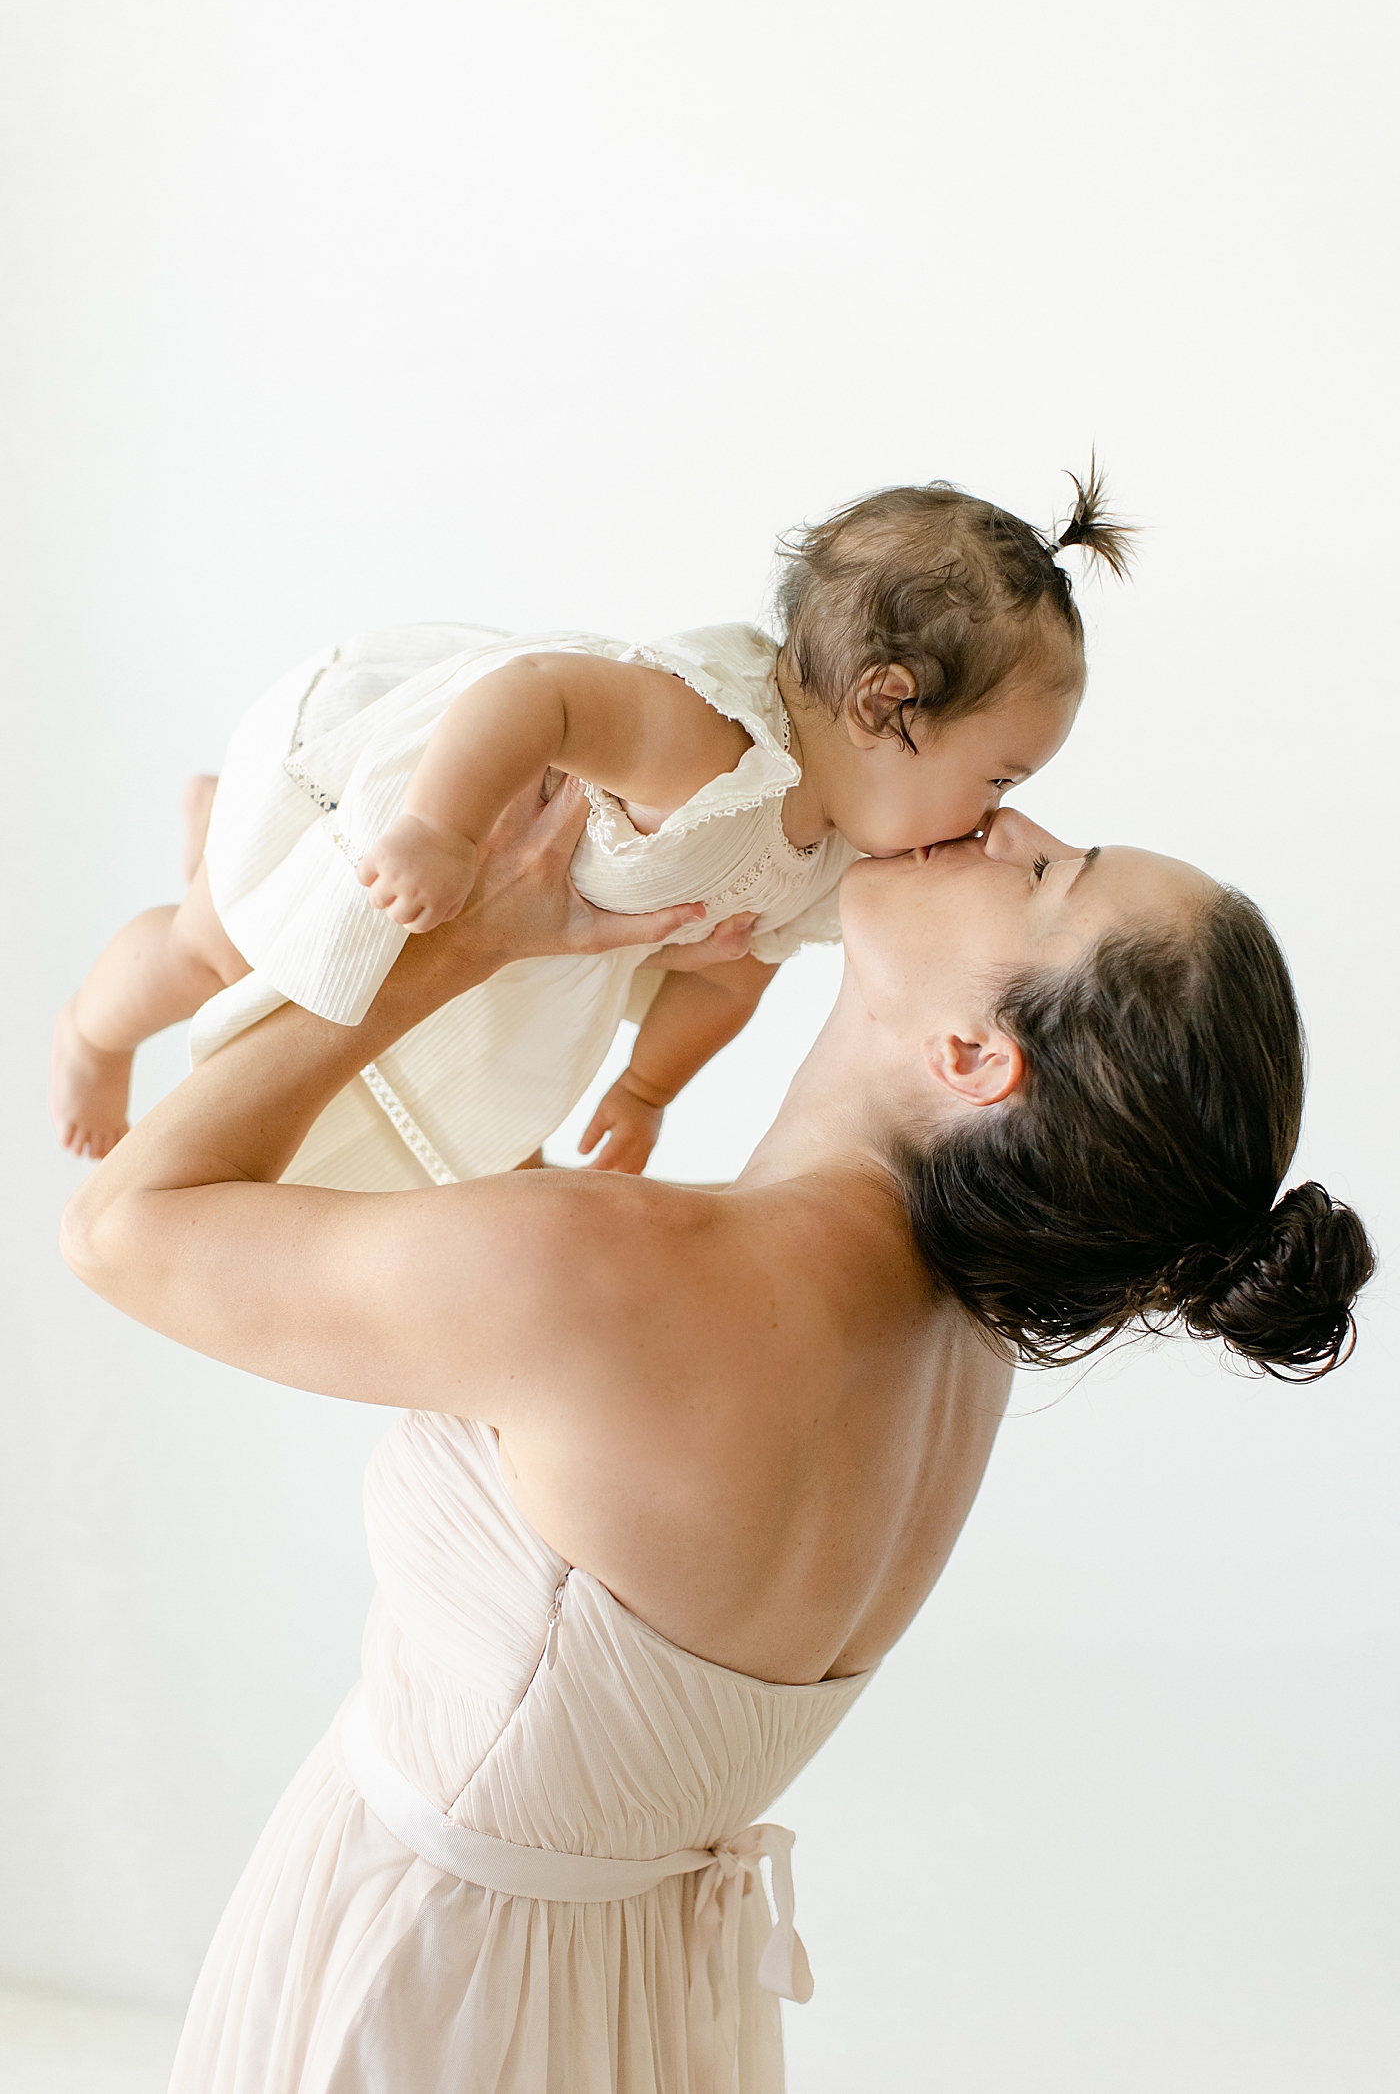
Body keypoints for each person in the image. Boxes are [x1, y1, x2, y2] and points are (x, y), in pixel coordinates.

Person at [60, 778, 1372, 2094]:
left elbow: (118, 1234)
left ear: (973, 1057)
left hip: (428, 1986)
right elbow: (466, 1238)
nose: (1006, 824)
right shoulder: (958, 1342)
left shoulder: (634, 1280)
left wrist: (448, 948)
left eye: (1044, 875)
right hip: (646, 1998)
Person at [50, 467, 1130, 1187]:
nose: (1000, 815)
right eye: (994, 778)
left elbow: (729, 978)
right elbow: (536, 695)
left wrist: (646, 1085)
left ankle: (205, 823)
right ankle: (93, 1033)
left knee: (451, 1083)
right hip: (391, 812)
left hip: (523, 939)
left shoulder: (836, 857)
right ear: (885, 705)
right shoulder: (713, 740)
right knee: (219, 946)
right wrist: (435, 826)